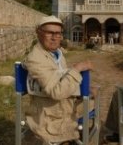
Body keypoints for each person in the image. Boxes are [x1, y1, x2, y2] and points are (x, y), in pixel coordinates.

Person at [23, 15, 94, 144]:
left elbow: (61, 80)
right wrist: (77, 69)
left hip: (62, 104)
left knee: (93, 98)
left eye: (58, 33)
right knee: (92, 103)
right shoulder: (35, 58)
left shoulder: (57, 53)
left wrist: (81, 89)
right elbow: (57, 92)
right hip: (49, 112)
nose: (55, 37)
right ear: (39, 33)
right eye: (50, 32)